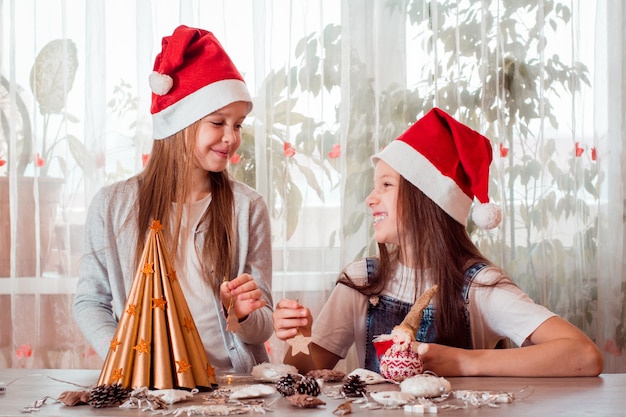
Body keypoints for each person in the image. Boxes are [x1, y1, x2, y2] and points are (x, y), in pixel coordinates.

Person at [273, 107, 604, 377]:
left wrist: (464, 362)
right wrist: (299, 337)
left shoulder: (479, 288)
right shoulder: (362, 282)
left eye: (386, 185)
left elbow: (584, 356)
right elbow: (309, 370)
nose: (371, 199)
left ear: (427, 200)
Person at [73, 25, 273, 374]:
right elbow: (91, 301)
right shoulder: (112, 206)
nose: (231, 137)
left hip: (234, 387)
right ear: (179, 123)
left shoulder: (248, 208)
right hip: (148, 388)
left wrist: (243, 312)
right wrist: (126, 358)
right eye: (218, 122)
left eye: (238, 124)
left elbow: (263, 324)